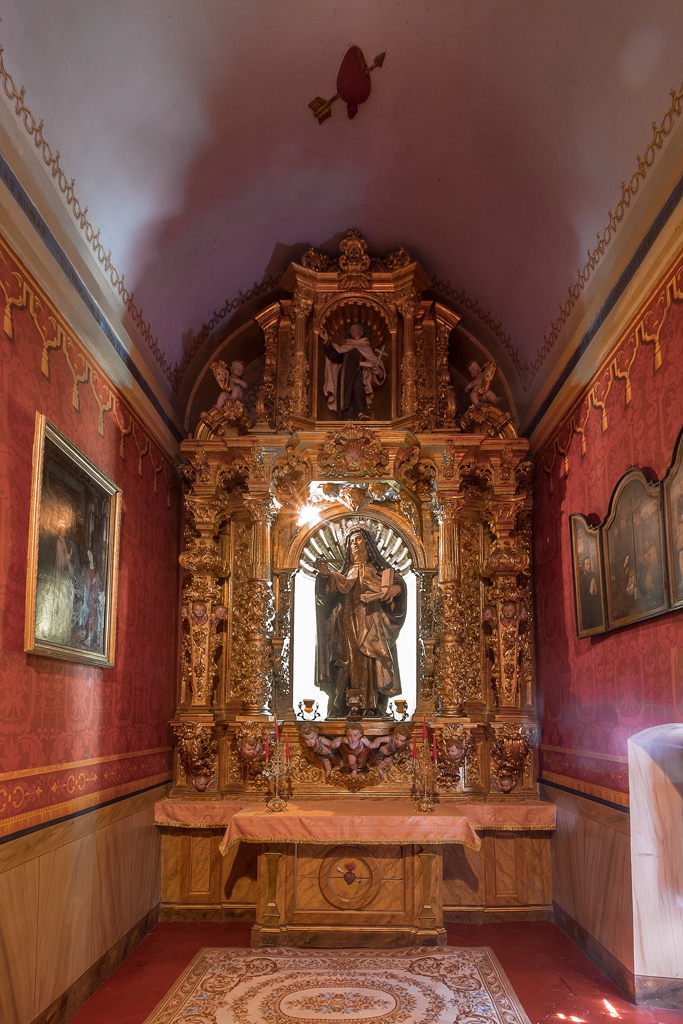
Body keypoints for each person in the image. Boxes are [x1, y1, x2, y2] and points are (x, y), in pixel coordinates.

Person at [314, 528, 407, 717]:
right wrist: (324, 575)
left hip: (374, 627)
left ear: (368, 543)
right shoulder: (343, 574)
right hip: (346, 627)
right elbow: (326, 599)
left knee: (373, 662)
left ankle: (373, 707)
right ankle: (343, 708)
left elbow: (398, 587)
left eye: (358, 539)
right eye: (351, 541)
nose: (354, 544)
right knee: (344, 664)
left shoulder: (380, 572)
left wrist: (396, 589)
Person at [320, 323, 387, 420]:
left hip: (360, 373)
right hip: (345, 375)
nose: (353, 330)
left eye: (355, 328)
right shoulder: (347, 346)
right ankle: (347, 417)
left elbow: (375, 363)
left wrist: (379, 372)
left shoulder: (366, 348)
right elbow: (335, 356)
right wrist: (326, 340)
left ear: (362, 332)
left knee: (357, 388)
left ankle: (361, 413)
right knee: (345, 394)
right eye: (351, 329)